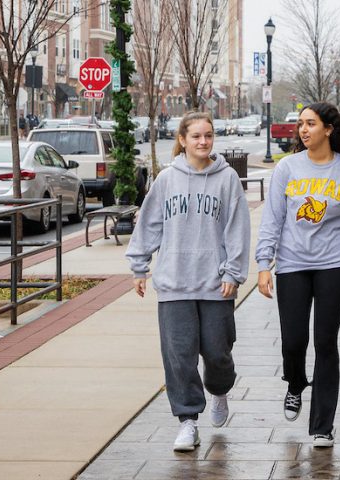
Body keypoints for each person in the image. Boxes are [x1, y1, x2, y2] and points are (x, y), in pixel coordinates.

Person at [126, 111, 251, 452]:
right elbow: (149, 224)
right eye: (196, 136)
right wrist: (139, 267)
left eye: (208, 135)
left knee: (218, 353)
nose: (203, 141)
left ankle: (220, 391)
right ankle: (188, 421)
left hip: (215, 284)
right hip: (174, 283)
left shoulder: (226, 179)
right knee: (179, 356)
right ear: (182, 140)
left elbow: (237, 229)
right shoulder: (167, 180)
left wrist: (233, 272)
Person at [256, 102, 340, 448]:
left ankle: (322, 425)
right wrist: (264, 263)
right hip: (292, 264)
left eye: (310, 123)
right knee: (294, 340)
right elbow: (272, 219)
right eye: (301, 125)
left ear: (329, 129)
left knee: (325, 342)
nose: (303, 130)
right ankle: (295, 382)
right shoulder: (287, 169)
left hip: (334, 265)